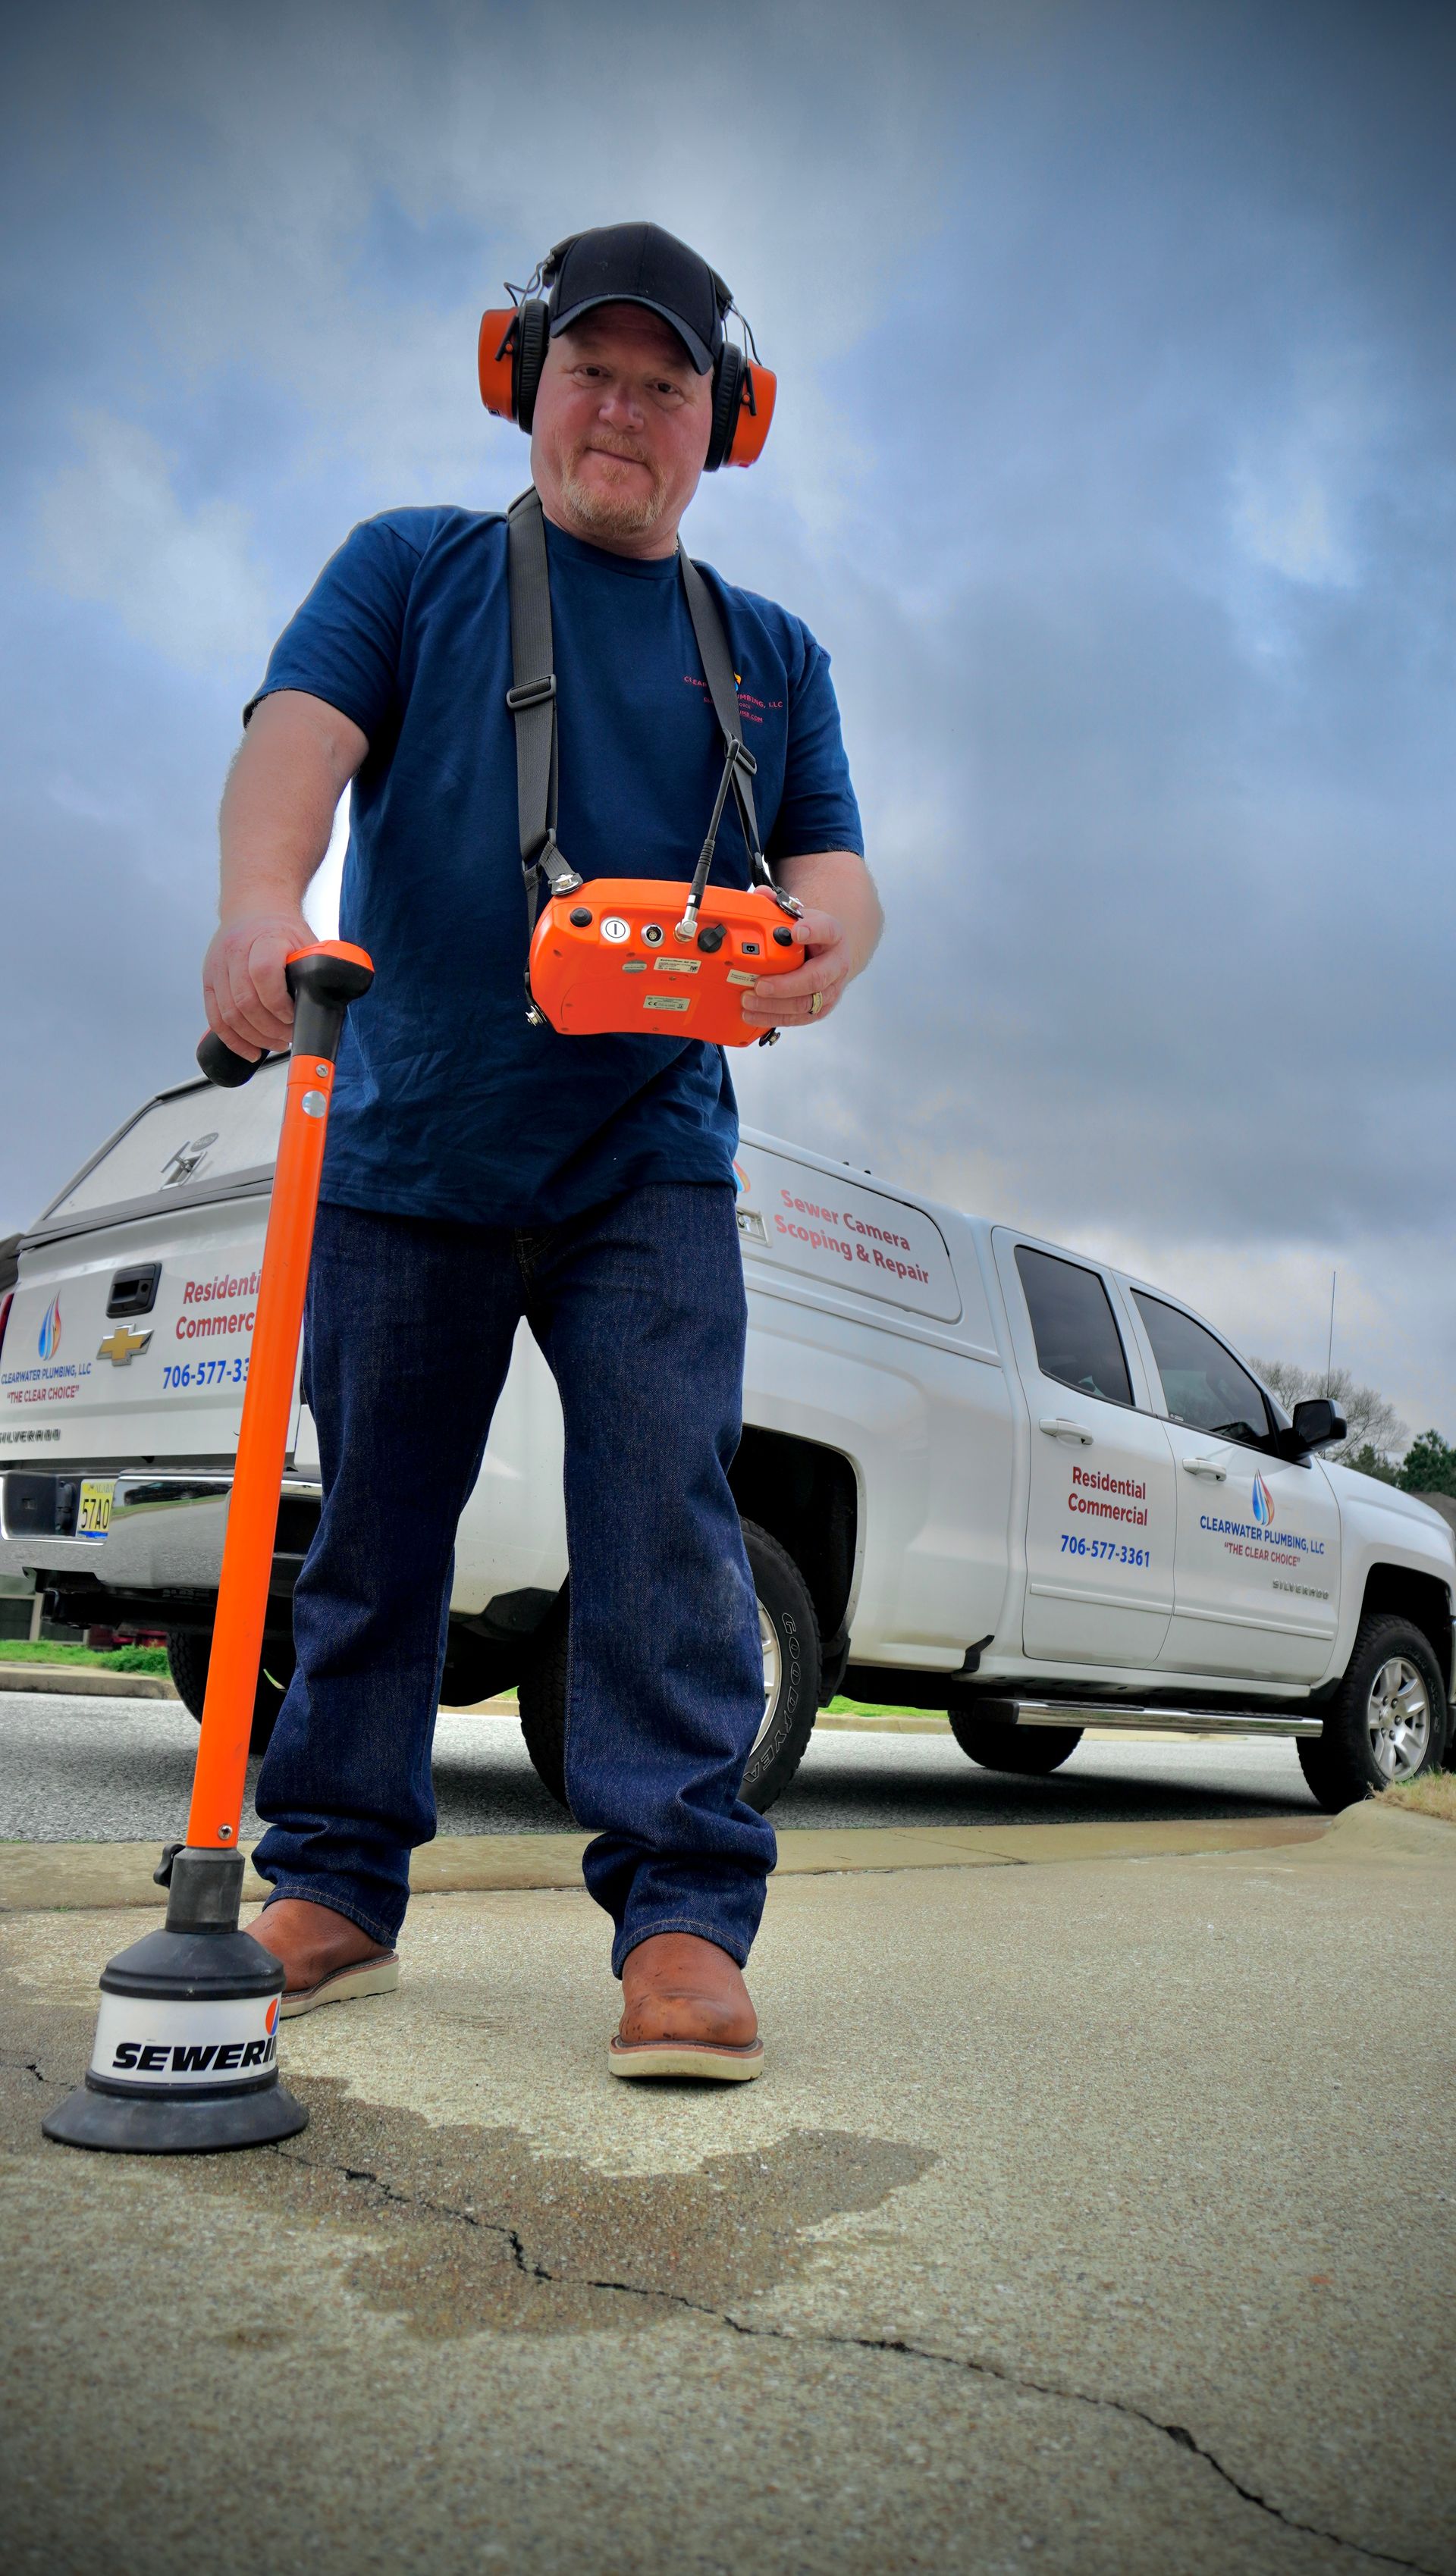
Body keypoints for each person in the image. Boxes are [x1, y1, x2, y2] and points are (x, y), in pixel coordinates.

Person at [203, 221, 881, 2079]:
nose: (627, 411)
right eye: (594, 369)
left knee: (666, 1516)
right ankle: (333, 1875)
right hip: (408, 1141)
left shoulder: (772, 654)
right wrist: (263, 902)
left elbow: (833, 863)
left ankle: (680, 1918)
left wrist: (834, 935)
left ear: (722, 424)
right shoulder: (408, 569)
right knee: (382, 1535)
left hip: (645, 1158)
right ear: (525, 382)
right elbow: (297, 737)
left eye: (670, 386)